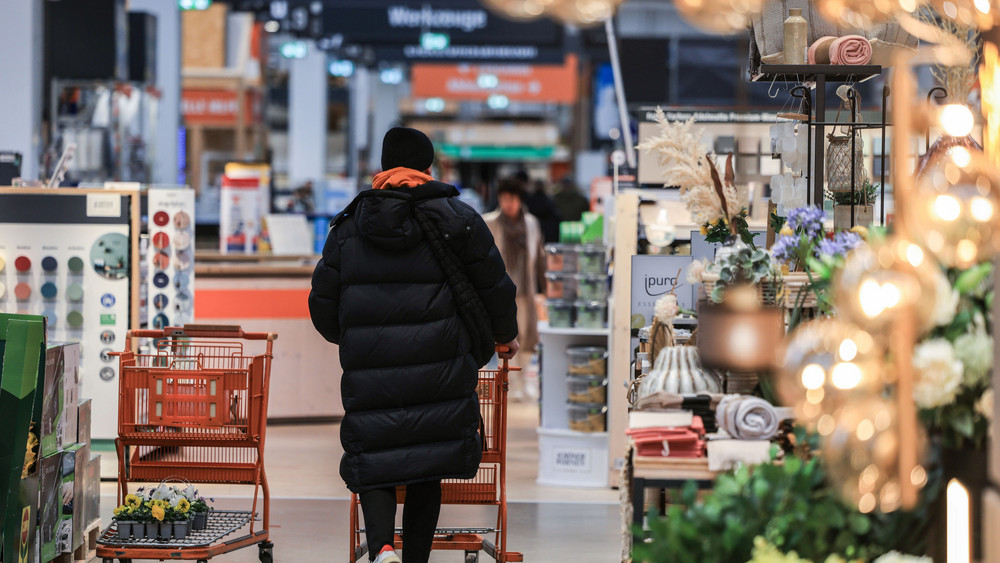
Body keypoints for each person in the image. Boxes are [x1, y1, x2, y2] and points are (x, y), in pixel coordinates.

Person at [308, 127, 519, 563]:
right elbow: (495, 285)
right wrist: (505, 336)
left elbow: (322, 304)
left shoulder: (348, 226)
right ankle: (414, 560)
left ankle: (383, 547)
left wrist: (355, 339)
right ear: (428, 168)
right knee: (428, 464)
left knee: (375, 457)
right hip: (439, 364)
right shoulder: (457, 218)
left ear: (382, 169)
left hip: (371, 368)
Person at [482, 177, 546, 400]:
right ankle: (509, 382)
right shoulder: (490, 222)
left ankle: (523, 380)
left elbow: (539, 257)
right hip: (501, 292)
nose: (509, 203)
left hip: (526, 291)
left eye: (513, 199)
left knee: (527, 337)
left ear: (519, 200)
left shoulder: (531, 223)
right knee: (505, 336)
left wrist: (543, 289)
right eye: (505, 198)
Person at [524, 178, 561, 243]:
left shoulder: (529, 201)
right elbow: (557, 218)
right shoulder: (550, 201)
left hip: (533, 232)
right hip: (549, 233)